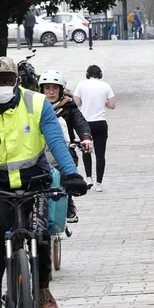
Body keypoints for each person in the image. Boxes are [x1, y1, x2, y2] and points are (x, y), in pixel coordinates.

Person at [0, 57, 88, 308]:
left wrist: (71, 174)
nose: (0, 85)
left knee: (41, 230)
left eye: (6, 79)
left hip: (34, 178)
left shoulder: (36, 104)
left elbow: (55, 139)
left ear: (16, 81)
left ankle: (43, 289)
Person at [39, 70, 94, 221]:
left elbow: (81, 123)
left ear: (61, 90)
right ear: (41, 90)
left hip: (64, 150)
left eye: (55, 88)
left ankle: (68, 204)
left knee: (66, 174)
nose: (51, 92)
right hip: (40, 152)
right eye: (47, 88)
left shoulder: (69, 107)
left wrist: (86, 138)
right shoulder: (35, 108)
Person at [74, 65, 116, 192]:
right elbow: (112, 105)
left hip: (85, 123)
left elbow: (77, 103)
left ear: (87, 74)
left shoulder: (81, 84)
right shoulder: (106, 86)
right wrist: (103, 102)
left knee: (86, 150)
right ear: (100, 74)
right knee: (100, 153)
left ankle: (88, 178)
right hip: (100, 123)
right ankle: (99, 183)